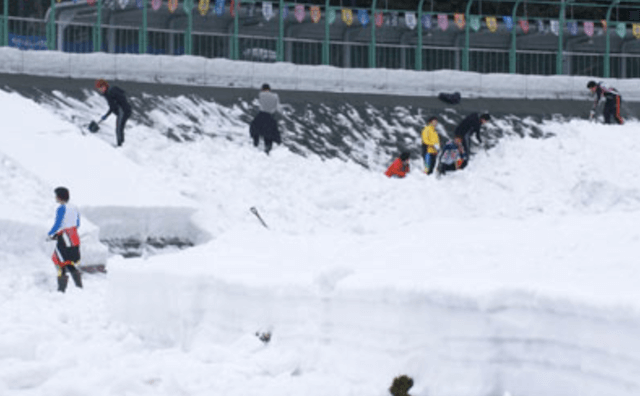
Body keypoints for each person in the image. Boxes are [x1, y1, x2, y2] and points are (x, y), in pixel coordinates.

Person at [47, 187, 83, 293]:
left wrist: (50, 234)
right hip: (74, 237)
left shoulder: (61, 208)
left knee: (59, 261)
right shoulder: (75, 207)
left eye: (56, 195)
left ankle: (61, 289)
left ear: (59, 196)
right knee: (69, 261)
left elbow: (58, 224)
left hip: (64, 238)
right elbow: (77, 224)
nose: (55, 198)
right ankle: (79, 286)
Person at [95, 79, 132, 147]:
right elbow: (113, 106)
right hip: (125, 110)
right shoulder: (110, 91)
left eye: (100, 88)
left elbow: (113, 106)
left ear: (104, 86)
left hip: (123, 111)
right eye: (98, 89)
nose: (99, 90)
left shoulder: (110, 92)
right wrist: (106, 115)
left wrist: (106, 115)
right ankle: (121, 144)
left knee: (119, 128)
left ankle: (120, 146)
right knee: (119, 128)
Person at [249, 83, 282, 154]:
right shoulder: (275, 96)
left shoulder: (260, 94)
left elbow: (256, 104)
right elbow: (278, 109)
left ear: (262, 89)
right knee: (269, 133)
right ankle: (268, 148)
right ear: (269, 89)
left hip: (262, 115)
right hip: (270, 116)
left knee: (254, 128)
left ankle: (255, 144)